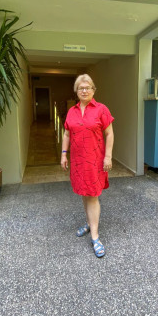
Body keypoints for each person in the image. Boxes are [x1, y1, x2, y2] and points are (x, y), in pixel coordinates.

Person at [61, 74, 114, 258]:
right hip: (78, 161)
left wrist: (108, 157)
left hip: (95, 160)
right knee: (84, 193)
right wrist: (63, 154)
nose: (84, 91)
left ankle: (95, 237)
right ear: (76, 91)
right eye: (80, 88)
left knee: (92, 196)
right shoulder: (72, 111)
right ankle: (90, 223)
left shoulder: (101, 109)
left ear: (93, 90)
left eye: (87, 87)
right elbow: (67, 134)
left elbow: (109, 134)